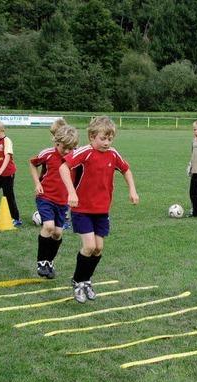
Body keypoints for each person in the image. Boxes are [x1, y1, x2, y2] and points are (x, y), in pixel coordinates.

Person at [59, 116, 139, 303]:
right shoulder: (85, 152)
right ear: (92, 137)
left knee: (99, 248)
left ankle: (86, 280)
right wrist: (71, 192)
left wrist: (132, 190)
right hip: (82, 209)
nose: (107, 143)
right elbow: (64, 167)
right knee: (89, 246)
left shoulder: (113, 154)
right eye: (103, 139)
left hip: (102, 210)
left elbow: (126, 170)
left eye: (110, 139)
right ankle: (78, 282)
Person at [28, 125, 79, 279]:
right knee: (48, 227)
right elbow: (32, 163)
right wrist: (37, 183)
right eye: (64, 148)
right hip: (46, 197)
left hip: (63, 201)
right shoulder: (47, 154)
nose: (67, 152)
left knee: (57, 233)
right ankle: (41, 261)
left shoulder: (75, 156)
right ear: (57, 143)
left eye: (71, 148)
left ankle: (50, 261)